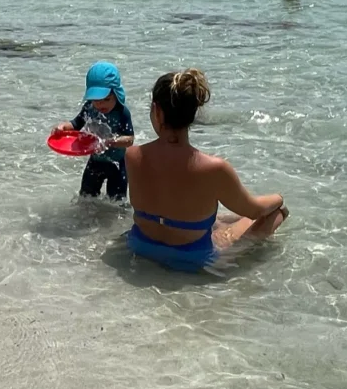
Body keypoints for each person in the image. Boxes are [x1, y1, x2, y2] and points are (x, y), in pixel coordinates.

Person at [125, 69, 288, 272]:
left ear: (157, 111)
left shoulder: (132, 156)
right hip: (194, 259)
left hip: (141, 246)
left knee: (212, 219)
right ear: (192, 115)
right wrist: (278, 198)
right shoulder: (214, 168)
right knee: (277, 213)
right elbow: (254, 210)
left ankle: (216, 223)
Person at [53, 62, 134, 200]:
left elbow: (130, 140)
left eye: (106, 99)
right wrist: (63, 127)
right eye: (96, 100)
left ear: (116, 94)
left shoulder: (122, 112)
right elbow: (76, 123)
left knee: (116, 205)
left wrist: (110, 142)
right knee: (85, 199)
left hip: (117, 164)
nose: (100, 104)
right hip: (95, 162)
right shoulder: (90, 107)